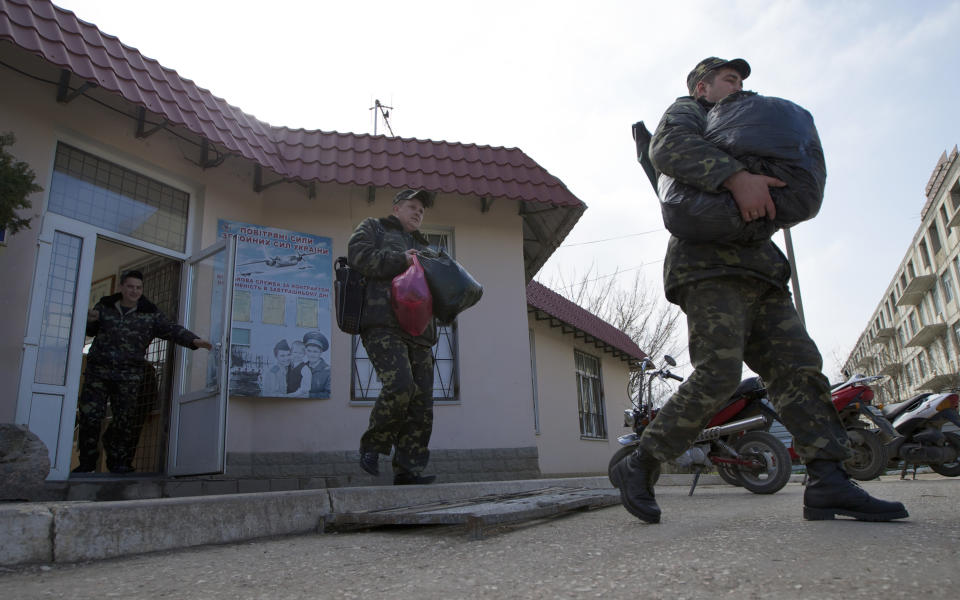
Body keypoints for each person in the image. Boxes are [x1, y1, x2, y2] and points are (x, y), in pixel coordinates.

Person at [611, 57, 908, 523]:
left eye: (741, 79)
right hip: (708, 267)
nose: (739, 85)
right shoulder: (689, 111)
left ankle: (829, 481)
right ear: (702, 85)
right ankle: (642, 462)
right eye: (729, 78)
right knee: (719, 373)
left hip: (762, 270)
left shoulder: (741, 123)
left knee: (801, 368)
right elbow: (668, 149)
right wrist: (737, 178)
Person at [75, 270, 213, 474]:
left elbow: (170, 329)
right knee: (90, 418)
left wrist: (193, 340)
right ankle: (86, 464)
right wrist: (91, 320)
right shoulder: (104, 306)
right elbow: (90, 332)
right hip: (99, 373)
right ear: (121, 287)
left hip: (128, 376)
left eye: (138, 288)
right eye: (130, 287)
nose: (134, 291)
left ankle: (118, 463)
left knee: (124, 420)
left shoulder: (149, 313)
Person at [348, 188, 438, 485]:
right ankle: (373, 445)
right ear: (397, 208)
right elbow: (359, 256)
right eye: (412, 207)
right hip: (382, 323)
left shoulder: (426, 246)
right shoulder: (374, 227)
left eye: (422, 211)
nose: (417, 213)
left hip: (421, 333)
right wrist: (401, 259)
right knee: (401, 385)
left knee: (421, 403)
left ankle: (409, 469)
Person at [303, 331, 331, 398]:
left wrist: (308, 395)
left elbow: (329, 394)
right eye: (309, 351)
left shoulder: (328, 371)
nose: (311, 354)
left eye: (315, 351)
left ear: (321, 352)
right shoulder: (301, 367)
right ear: (305, 351)